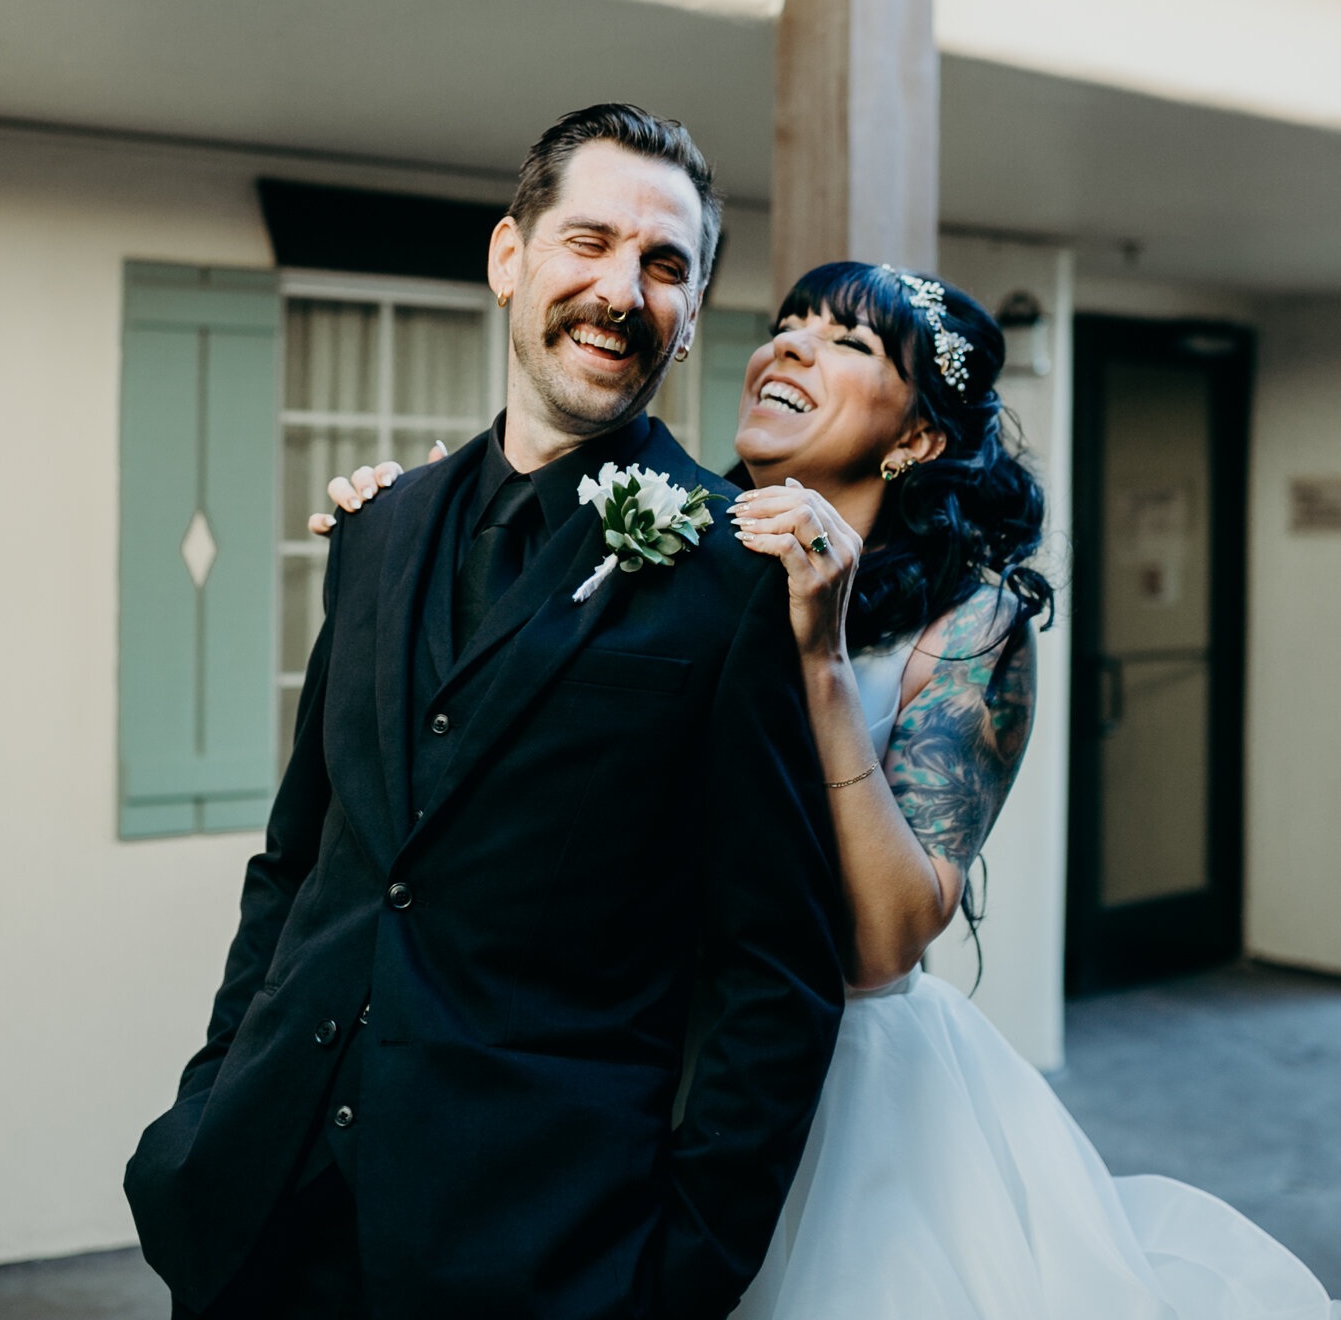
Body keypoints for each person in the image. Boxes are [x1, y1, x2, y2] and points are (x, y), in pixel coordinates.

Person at [321, 260, 1341, 1319]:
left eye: (849, 342)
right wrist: (437, 534)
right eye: (791, 322)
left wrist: (818, 658)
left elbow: (885, 941)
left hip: (836, 1094)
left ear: (918, 439)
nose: (792, 344)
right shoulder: (669, 551)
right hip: (619, 1049)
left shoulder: (970, 626)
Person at [125, 104, 847, 1320]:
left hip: (533, 1242)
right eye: (590, 241)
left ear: (688, 319)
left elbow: (776, 970)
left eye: (665, 265)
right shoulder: (377, 529)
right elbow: (301, 860)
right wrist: (210, 1098)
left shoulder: (735, 581)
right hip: (258, 1201)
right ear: (511, 257)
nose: (620, 290)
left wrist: (679, 1272)